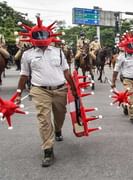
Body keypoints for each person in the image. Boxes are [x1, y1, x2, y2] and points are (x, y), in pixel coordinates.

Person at [15, 16, 78, 167]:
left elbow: (67, 73)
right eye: (38, 35)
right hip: (39, 90)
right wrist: (18, 93)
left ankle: (58, 130)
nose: (42, 38)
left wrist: (74, 90)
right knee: (43, 119)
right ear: (32, 36)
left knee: (60, 115)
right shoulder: (27, 54)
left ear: (50, 35)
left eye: (44, 35)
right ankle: (48, 149)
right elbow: (24, 75)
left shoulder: (58, 52)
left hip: (60, 89)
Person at [111, 31, 133, 125]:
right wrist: (113, 81)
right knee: (131, 97)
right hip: (127, 80)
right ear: (126, 46)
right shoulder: (121, 57)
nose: (132, 47)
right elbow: (116, 69)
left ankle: (126, 106)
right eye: (130, 46)